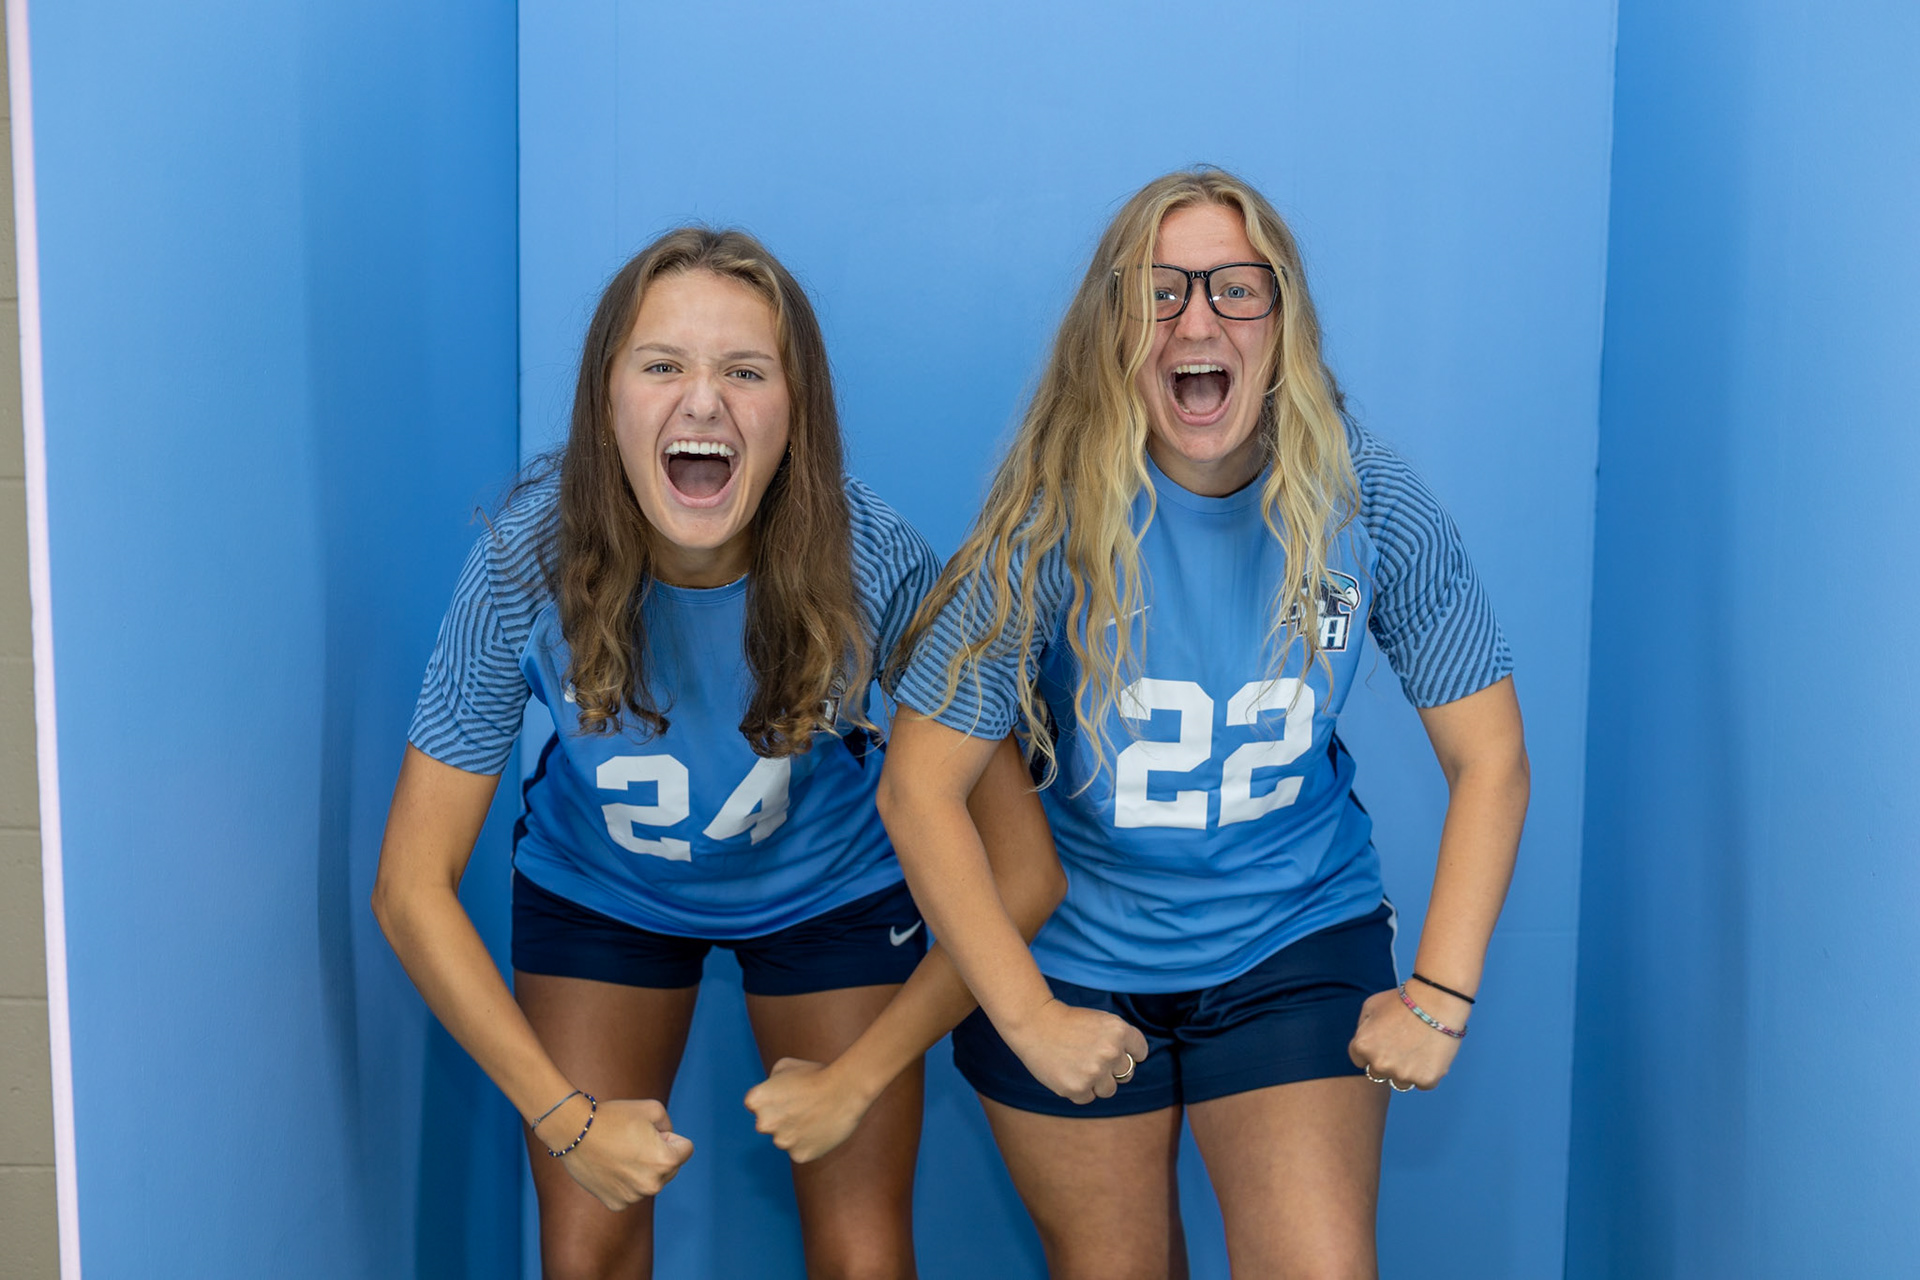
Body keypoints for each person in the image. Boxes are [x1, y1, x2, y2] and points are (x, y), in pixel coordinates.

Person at [372, 226, 1061, 1280]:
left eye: (746, 370)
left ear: (797, 413)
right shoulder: (525, 560)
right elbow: (410, 886)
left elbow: (1021, 868)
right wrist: (563, 1116)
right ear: (607, 403)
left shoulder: (869, 554)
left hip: (829, 885)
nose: (704, 402)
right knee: (587, 1245)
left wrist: (863, 1075)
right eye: (663, 366)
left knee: (866, 1252)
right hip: (604, 886)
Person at [876, 168, 1530, 1279]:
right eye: (1160, 290)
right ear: (1113, 327)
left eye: (1236, 288)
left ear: (1283, 321)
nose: (1198, 318)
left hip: (1289, 933)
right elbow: (916, 786)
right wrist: (1029, 1017)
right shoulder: (1044, 525)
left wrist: (1441, 993)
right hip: (1078, 949)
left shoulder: (1364, 501)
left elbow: (1492, 756)